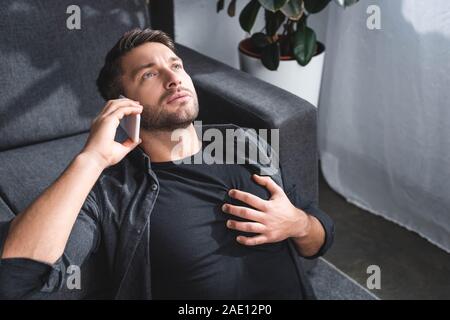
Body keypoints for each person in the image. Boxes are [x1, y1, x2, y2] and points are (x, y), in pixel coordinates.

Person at [0, 28, 334, 299]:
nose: (172, 78)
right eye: (149, 75)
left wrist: (298, 224)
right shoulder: (111, 193)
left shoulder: (242, 142)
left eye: (175, 65)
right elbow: (15, 276)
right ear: (124, 104)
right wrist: (91, 158)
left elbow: (319, 238)